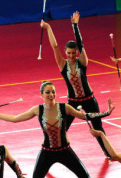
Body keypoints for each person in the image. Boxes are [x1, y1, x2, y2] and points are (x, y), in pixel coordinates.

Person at [40, 11, 112, 158]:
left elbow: (82, 44)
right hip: (72, 103)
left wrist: (75, 26)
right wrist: (48, 28)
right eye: (69, 53)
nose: (71, 56)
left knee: (98, 128)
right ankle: (47, 153)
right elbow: (54, 46)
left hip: (89, 99)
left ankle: (109, 154)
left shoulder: (82, 62)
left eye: (74, 53)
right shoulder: (62, 64)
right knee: (60, 129)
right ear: (66, 53)